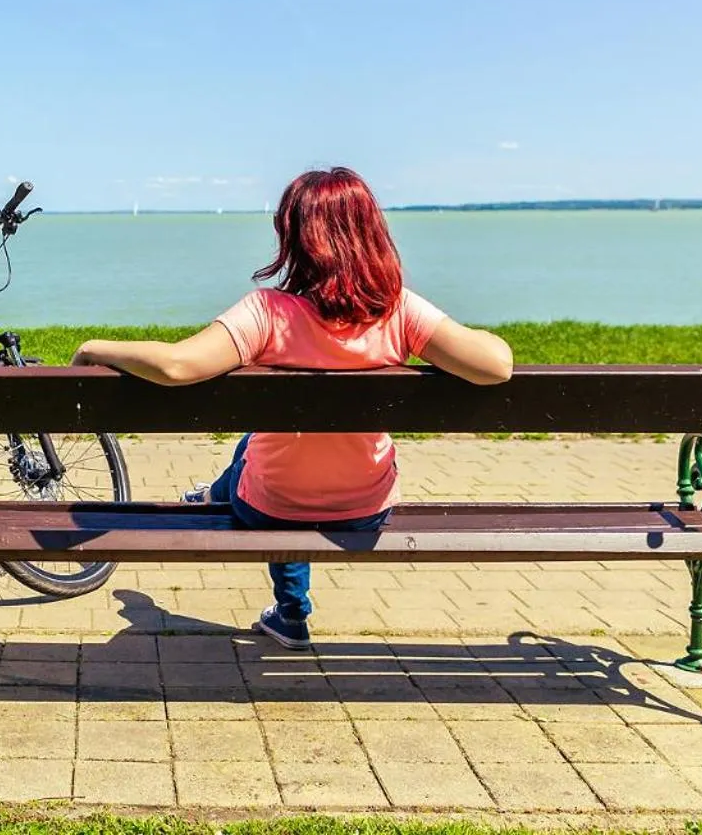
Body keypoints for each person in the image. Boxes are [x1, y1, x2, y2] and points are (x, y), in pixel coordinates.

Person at [72, 166, 513, 649]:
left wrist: (98, 347)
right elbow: (496, 365)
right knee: (263, 451)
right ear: (371, 233)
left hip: (272, 506)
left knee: (261, 461)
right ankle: (224, 512)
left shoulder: (266, 312)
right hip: (365, 508)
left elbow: (177, 366)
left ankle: (286, 603)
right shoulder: (399, 310)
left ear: (295, 236)